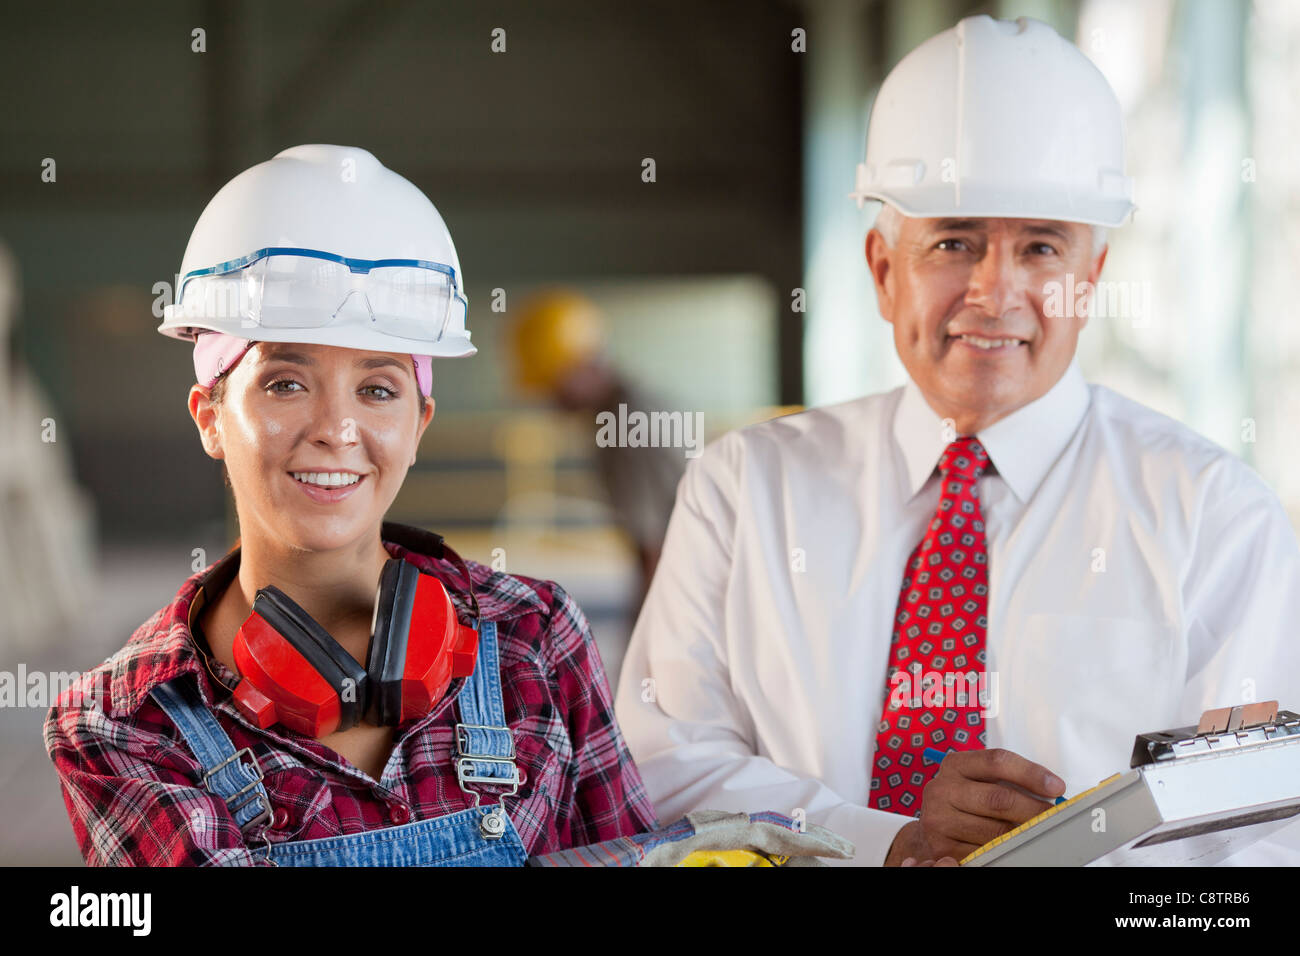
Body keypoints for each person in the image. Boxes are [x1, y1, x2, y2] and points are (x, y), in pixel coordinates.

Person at [613, 15, 1300, 867]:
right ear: (882, 271)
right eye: (954, 242)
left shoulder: (1216, 518)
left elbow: (1263, 834)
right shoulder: (745, 489)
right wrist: (888, 846)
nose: (995, 292)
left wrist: (1050, 855)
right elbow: (662, 769)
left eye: (1041, 247)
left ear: (1091, 282)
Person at [42, 144, 659, 865]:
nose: (337, 430)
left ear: (418, 425)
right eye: (285, 383)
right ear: (209, 417)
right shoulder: (125, 724)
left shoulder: (535, 640)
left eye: (377, 389)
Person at [507, 289, 685, 604]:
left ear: (578, 367)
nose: (550, 402)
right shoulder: (627, 407)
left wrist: (646, 643)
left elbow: (654, 549)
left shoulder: (626, 422)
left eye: (552, 386)